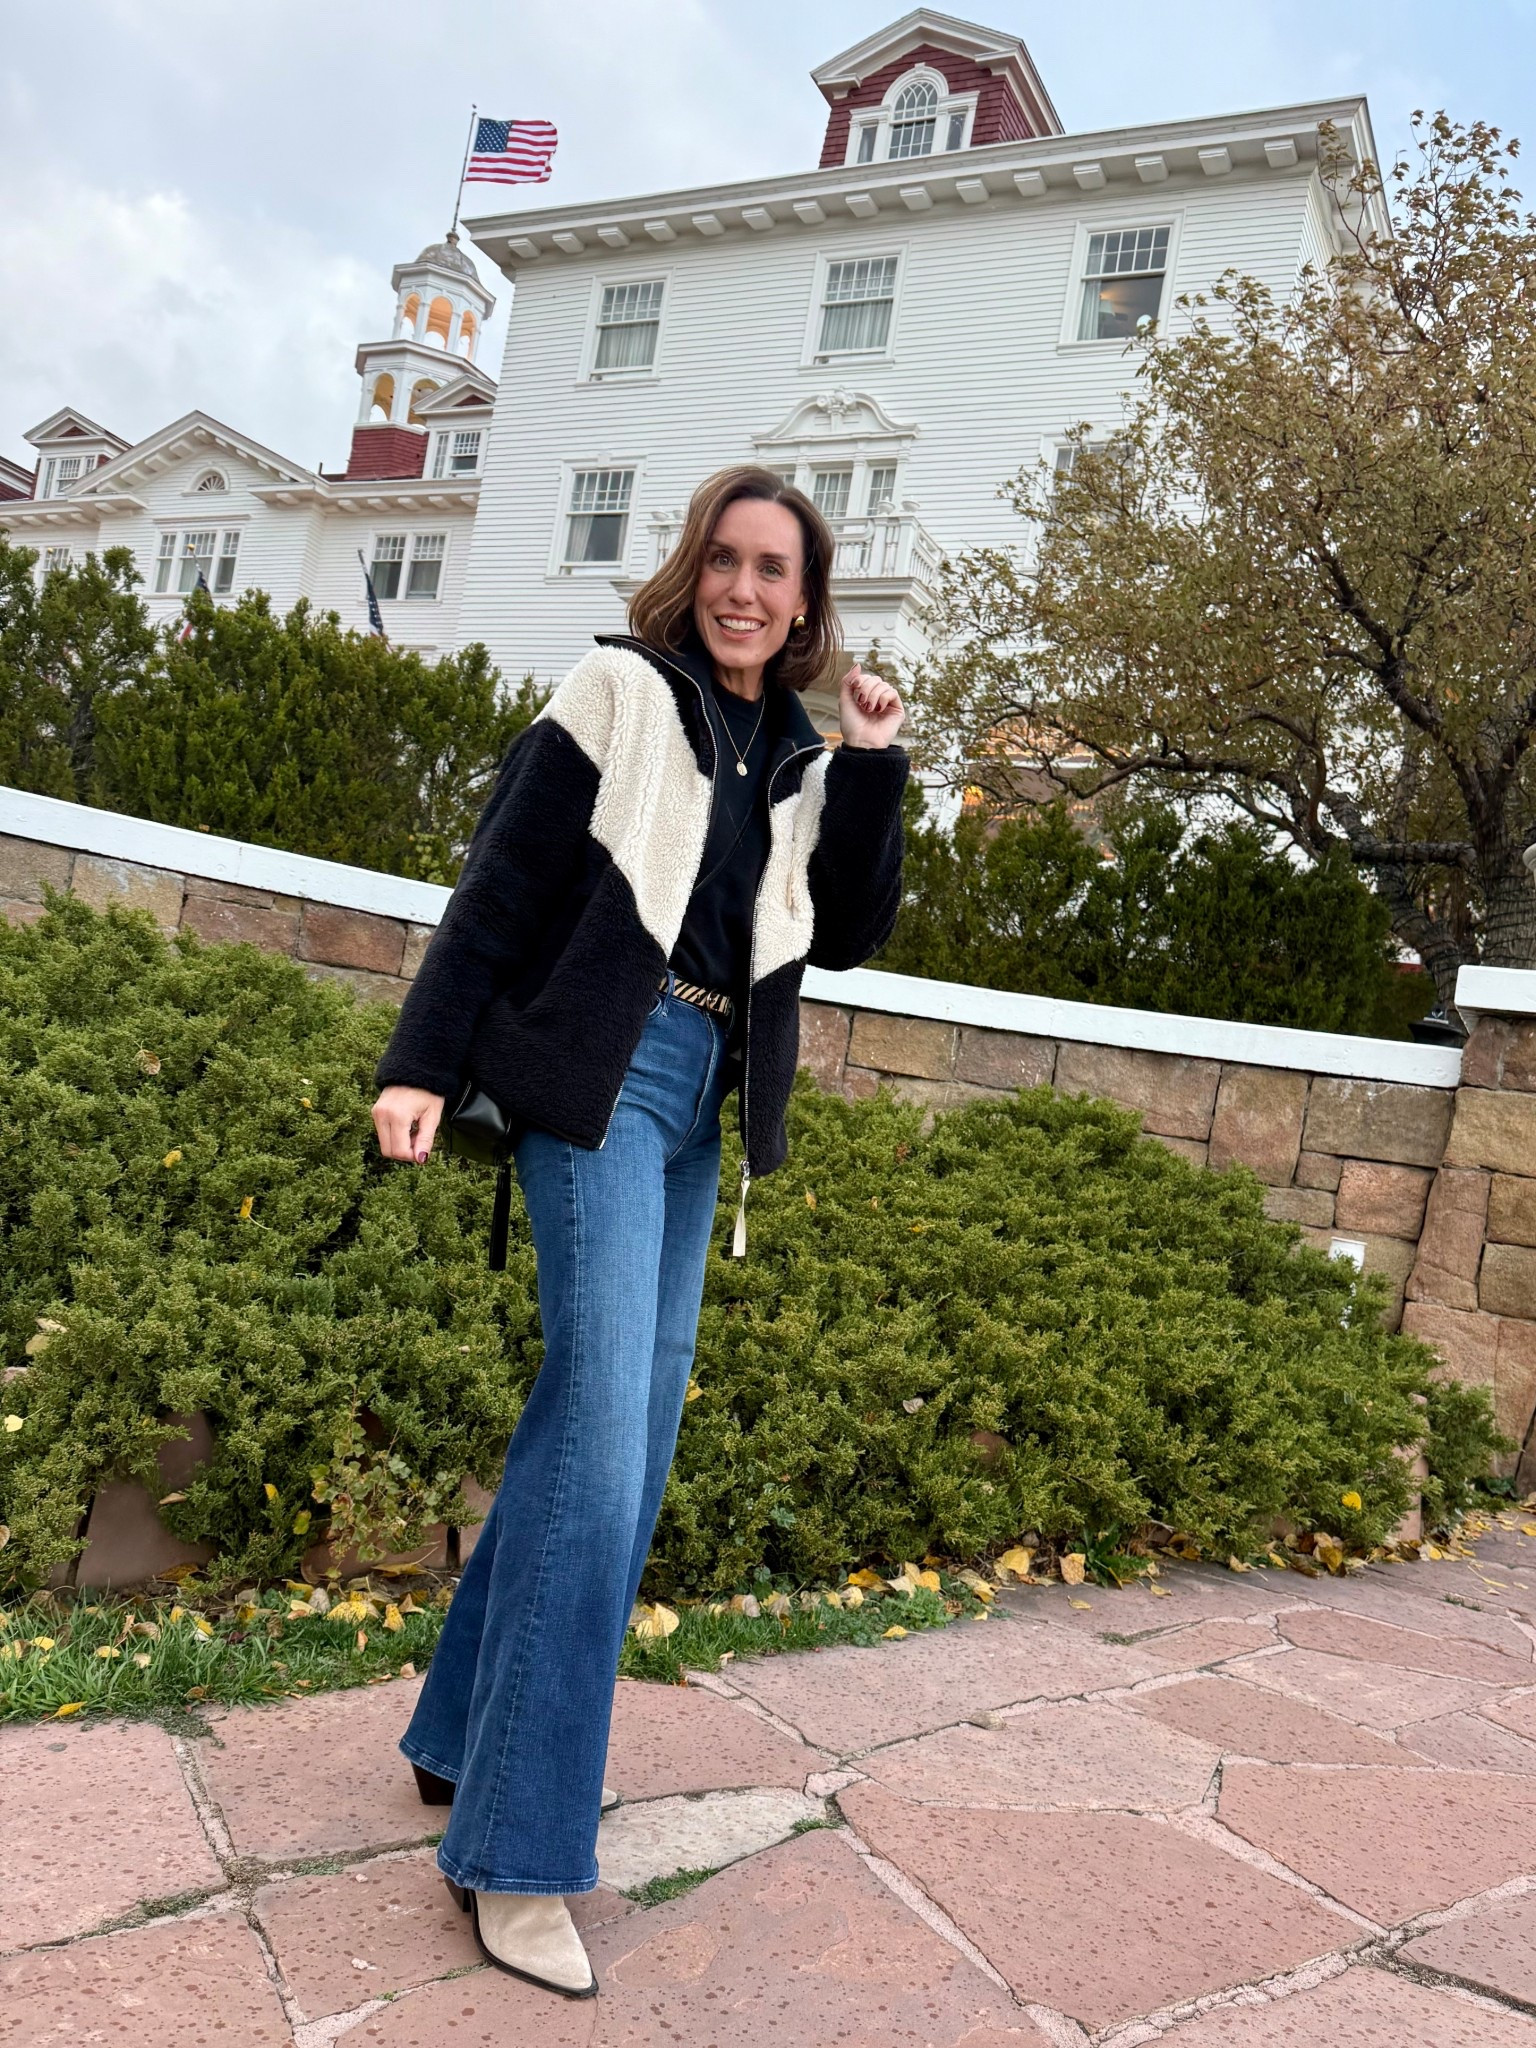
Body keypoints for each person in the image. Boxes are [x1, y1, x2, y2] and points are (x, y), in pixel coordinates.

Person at [370, 463, 907, 1999]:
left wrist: (874, 761)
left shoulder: (799, 752)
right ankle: (515, 1854)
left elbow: (848, 930)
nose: (746, 590)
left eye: (776, 572)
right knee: (610, 1472)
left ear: (807, 601)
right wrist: (417, 1067)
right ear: (697, 569)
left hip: (700, 1108)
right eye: (727, 561)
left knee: (602, 1442)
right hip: (599, 1082)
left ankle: (449, 1733)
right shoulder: (614, 691)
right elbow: (499, 889)